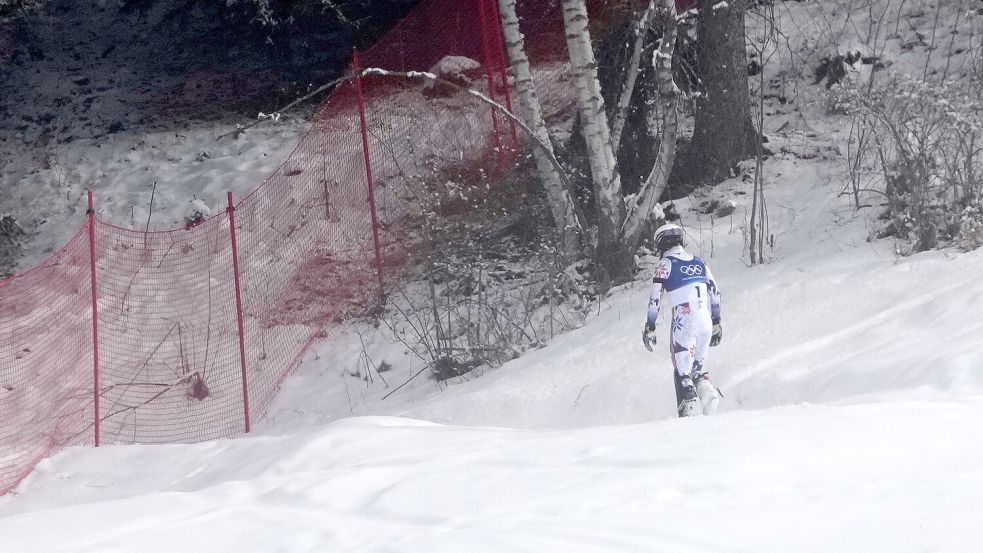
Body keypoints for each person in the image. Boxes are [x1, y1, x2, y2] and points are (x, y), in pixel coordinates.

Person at [641, 223, 723, 417]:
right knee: (695, 370)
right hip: (704, 318)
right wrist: (716, 322)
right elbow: (715, 292)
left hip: (684, 319)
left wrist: (650, 326)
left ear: (661, 243)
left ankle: (690, 411)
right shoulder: (699, 262)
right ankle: (707, 393)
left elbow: (655, 298)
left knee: (682, 373)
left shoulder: (665, 264)